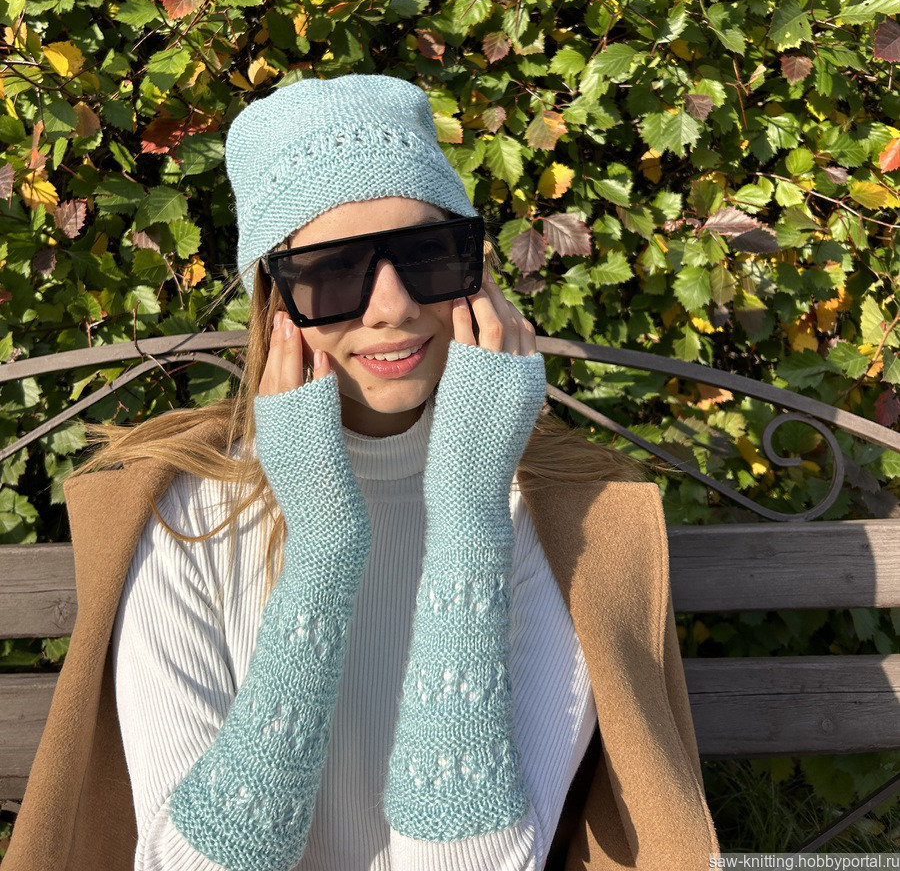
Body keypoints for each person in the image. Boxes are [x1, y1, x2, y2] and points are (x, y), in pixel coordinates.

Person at [4, 73, 719, 871]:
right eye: (334, 270)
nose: (392, 306)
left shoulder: (562, 518)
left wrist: (468, 511)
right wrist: (322, 550)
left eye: (426, 255)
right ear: (276, 302)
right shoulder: (184, 508)